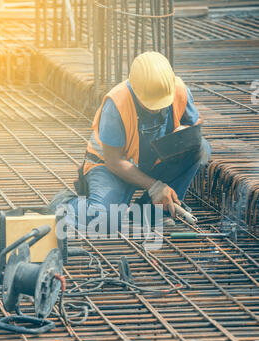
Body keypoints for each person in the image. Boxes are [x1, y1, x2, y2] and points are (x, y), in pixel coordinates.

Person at [50, 51, 211, 233]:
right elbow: (114, 161)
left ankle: (152, 211)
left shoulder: (178, 90)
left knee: (201, 148)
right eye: (150, 105)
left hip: (151, 162)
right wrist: (155, 186)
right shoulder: (117, 103)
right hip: (111, 168)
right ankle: (64, 204)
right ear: (135, 90)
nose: (157, 110)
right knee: (104, 220)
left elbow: (194, 128)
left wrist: (184, 133)